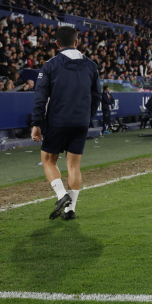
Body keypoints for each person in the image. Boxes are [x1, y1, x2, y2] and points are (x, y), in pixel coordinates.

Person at [31, 26, 100, 221]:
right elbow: (97, 97)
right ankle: (71, 210)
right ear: (77, 42)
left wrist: (37, 123)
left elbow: (40, 98)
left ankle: (62, 196)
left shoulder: (50, 65)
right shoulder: (91, 66)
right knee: (74, 166)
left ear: (57, 44)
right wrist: (88, 117)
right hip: (80, 122)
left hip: (57, 121)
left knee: (48, 160)